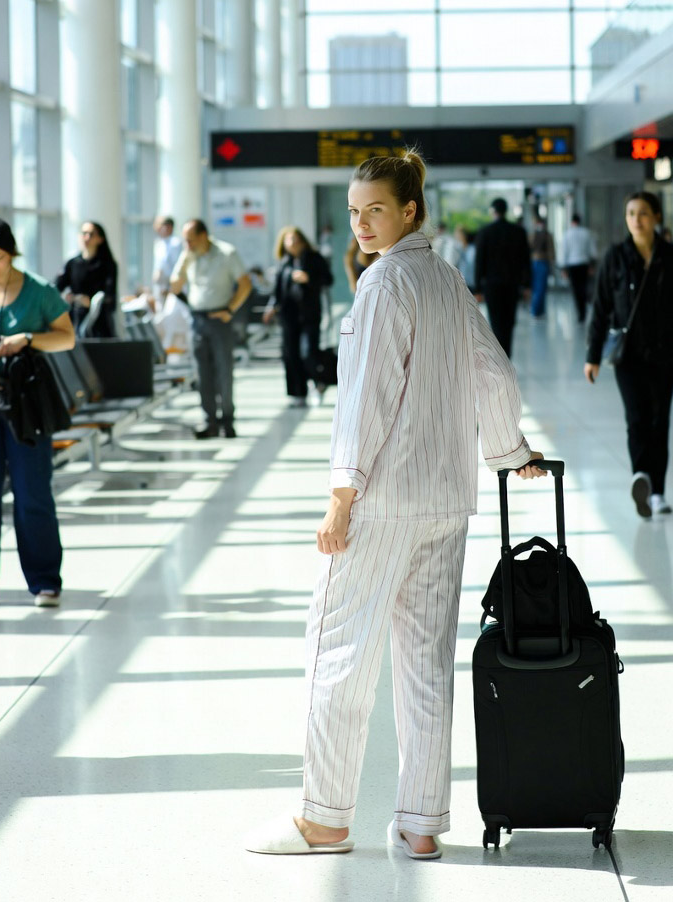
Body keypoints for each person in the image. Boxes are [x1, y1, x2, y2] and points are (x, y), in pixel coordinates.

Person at [245, 149, 546, 860]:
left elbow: (366, 401)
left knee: (337, 653)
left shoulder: (385, 285)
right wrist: (510, 452)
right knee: (425, 663)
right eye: (353, 212)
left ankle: (324, 819)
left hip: (384, 502)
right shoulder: (444, 279)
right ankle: (420, 825)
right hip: (446, 501)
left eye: (374, 209)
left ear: (410, 210)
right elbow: (494, 372)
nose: (361, 225)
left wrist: (340, 497)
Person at [585, 191, 673, 518]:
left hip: (666, 353)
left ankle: (658, 491)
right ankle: (641, 476)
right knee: (636, 419)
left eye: (644, 213)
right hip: (628, 357)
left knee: (658, 420)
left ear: (657, 217)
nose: (637, 219)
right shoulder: (616, 258)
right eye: (631, 212)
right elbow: (601, 308)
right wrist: (592, 356)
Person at [0, 218, 75, 607]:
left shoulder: (39, 290)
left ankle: (44, 580)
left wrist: (28, 339)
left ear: (12, 254)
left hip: (25, 404)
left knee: (32, 493)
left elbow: (67, 337)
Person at [170, 219, 251, 438]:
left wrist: (230, 310)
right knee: (202, 374)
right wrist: (185, 260)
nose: (187, 244)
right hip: (197, 321)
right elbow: (174, 286)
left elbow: (245, 284)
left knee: (224, 372)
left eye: (191, 240)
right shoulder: (188, 255)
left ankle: (227, 420)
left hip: (220, 319)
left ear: (203, 235)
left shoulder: (226, 253)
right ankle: (210, 421)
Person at [263, 227, 333, 408]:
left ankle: (319, 381)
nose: (293, 244)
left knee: (308, 352)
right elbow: (278, 291)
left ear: (302, 241)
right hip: (289, 316)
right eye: (289, 240)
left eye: (296, 239)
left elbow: (327, 279)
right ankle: (297, 394)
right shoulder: (284, 263)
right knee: (291, 355)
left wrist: (308, 278)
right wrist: (272, 307)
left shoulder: (314, 258)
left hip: (309, 314)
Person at [474, 198, 531, 357]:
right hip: (512, 283)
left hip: (492, 285)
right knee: (509, 321)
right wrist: (527, 285)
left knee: (496, 321)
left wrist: (477, 288)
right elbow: (526, 260)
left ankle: (500, 357)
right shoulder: (518, 232)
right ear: (506, 211)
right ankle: (507, 354)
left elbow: (480, 262)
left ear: (493, 211)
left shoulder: (485, 232)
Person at [55, 221, 118, 337]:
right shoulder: (72, 263)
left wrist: (93, 302)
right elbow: (56, 288)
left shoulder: (108, 265)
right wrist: (71, 298)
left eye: (91, 234)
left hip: (100, 324)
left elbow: (110, 295)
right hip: (75, 320)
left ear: (100, 239)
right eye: (84, 233)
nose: (87, 238)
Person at [561, 214, 597, 323]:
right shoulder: (587, 233)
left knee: (576, 289)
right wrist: (592, 266)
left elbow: (563, 252)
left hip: (572, 265)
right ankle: (584, 311)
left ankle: (580, 313)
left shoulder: (567, 234)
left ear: (572, 222)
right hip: (584, 264)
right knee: (584, 287)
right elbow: (593, 251)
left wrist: (563, 269)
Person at [152, 216, 183, 302]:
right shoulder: (160, 243)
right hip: (160, 288)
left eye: (160, 225)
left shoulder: (175, 243)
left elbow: (175, 267)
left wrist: (168, 287)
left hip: (169, 289)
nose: (157, 228)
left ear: (169, 227)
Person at [529, 217, 555, 318]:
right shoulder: (547, 235)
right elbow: (551, 250)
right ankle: (537, 310)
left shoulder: (533, 235)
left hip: (535, 262)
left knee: (537, 287)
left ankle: (538, 309)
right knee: (541, 287)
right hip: (542, 262)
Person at [454, 225, 476, 290]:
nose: (457, 237)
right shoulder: (458, 248)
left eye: (459, 235)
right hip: (461, 284)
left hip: (470, 284)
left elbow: (471, 266)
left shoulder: (472, 249)